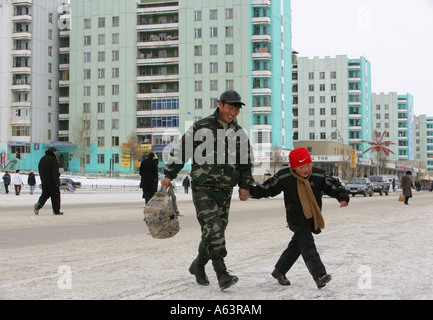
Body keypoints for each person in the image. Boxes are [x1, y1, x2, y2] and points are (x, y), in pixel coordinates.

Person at [161, 90, 254, 290]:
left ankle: (198, 265)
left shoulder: (239, 133)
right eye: (230, 108)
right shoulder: (201, 126)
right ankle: (222, 272)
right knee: (213, 229)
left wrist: (245, 185)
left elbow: (246, 162)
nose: (233, 112)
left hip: (225, 189)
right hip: (203, 187)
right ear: (220, 105)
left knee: (215, 231)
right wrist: (169, 173)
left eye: (237, 109)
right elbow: (182, 149)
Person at [249, 147, 350, 289]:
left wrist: (342, 197)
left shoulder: (318, 175)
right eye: (301, 166)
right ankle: (319, 275)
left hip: (311, 218)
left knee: (296, 246)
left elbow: (332, 185)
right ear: (294, 167)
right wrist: (250, 191)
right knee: (308, 246)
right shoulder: (285, 176)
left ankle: (280, 271)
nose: (306, 169)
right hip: (295, 218)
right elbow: (268, 188)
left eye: (308, 165)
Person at [34, 147, 63, 215]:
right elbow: (55, 172)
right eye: (55, 151)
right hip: (52, 182)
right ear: (53, 152)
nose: (56, 153)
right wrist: (57, 182)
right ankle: (56, 211)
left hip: (44, 181)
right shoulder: (53, 159)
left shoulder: (42, 159)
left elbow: (40, 170)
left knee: (44, 195)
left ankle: (38, 205)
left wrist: (43, 179)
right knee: (55, 196)